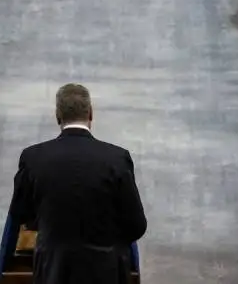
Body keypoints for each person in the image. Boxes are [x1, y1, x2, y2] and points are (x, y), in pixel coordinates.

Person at [8, 83, 147, 284]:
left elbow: (20, 214)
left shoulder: (33, 158)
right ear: (91, 113)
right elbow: (136, 226)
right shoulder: (117, 158)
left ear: (58, 116)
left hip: (52, 271)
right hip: (106, 273)